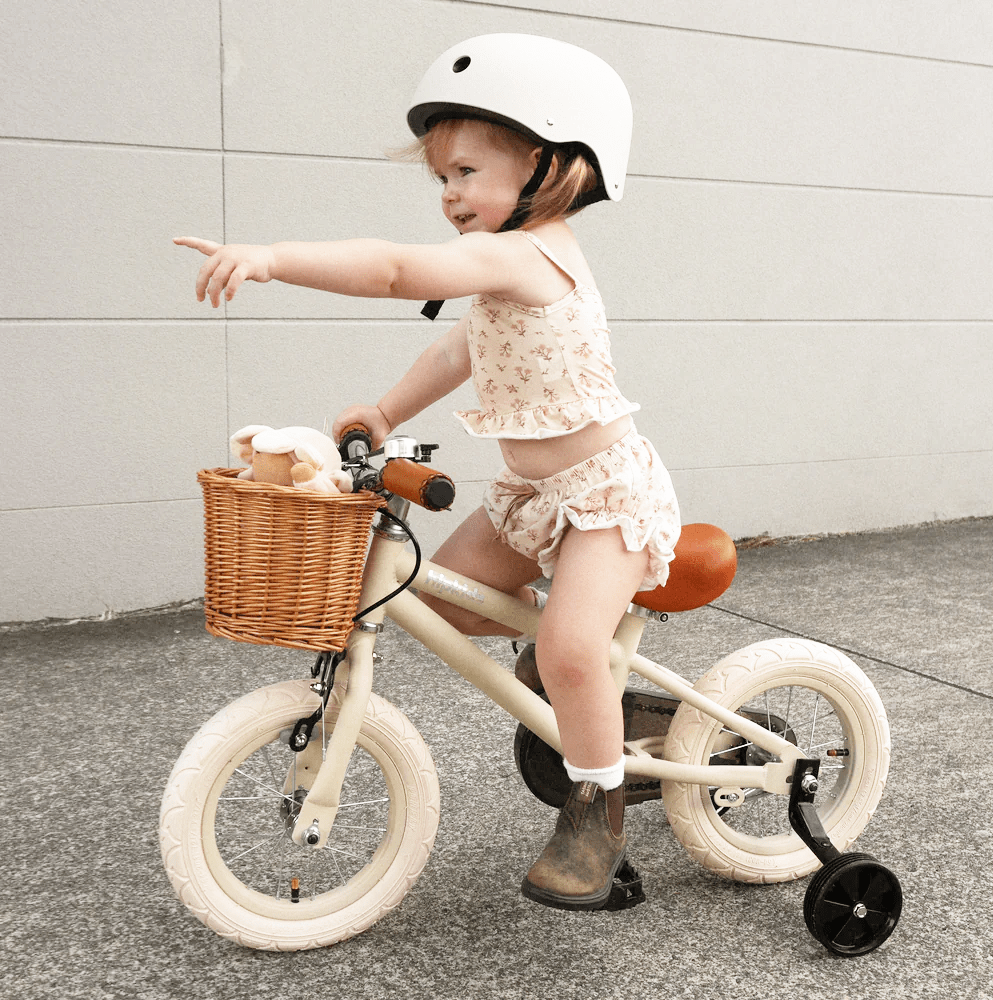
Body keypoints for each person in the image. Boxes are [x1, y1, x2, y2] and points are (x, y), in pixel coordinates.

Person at [175, 33, 681, 912]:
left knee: (564, 645)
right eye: (442, 178)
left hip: (604, 495)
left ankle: (596, 804)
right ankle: (586, 682)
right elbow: (461, 347)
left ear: (546, 163)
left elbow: (396, 268)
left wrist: (272, 257)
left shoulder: (528, 251)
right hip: (532, 498)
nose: (449, 195)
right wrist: (385, 411)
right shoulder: (499, 274)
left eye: (467, 173)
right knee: (436, 598)